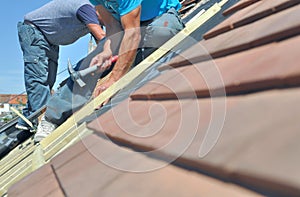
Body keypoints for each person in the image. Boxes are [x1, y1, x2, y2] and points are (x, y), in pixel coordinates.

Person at [34, 0, 185, 142]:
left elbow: (132, 34)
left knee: (161, 32)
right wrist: (106, 52)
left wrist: (113, 80)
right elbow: (112, 27)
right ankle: (52, 117)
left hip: (159, 17)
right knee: (90, 65)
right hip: (125, 24)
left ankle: (140, 95)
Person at [15, 0, 106, 131]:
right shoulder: (87, 9)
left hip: (49, 39)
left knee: (48, 81)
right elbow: (103, 38)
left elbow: (102, 43)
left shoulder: (94, 12)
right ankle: (43, 122)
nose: (108, 21)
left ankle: (26, 120)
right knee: (39, 80)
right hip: (35, 32)